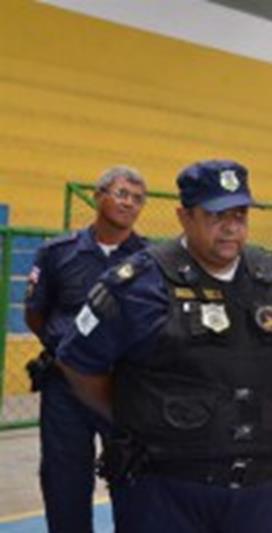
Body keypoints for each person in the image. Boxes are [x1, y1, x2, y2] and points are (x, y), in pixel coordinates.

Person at [55, 160, 272, 533]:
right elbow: (78, 364)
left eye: (240, 214)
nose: (231, 227)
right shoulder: (137, 286)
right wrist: (136, 417)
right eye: (217, 215)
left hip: (258, 487)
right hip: (165, 489)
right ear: (184, 216)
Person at [24, 165, 147, 533]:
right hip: (67, 387)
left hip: (124, 389)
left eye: (138, 199)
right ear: (99, 196)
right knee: (64, 479)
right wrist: (70, 353)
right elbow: (35, 315)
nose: (129, 203)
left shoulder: (149, 261)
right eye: (122, 193)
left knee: (133, 475)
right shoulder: (56, 253)